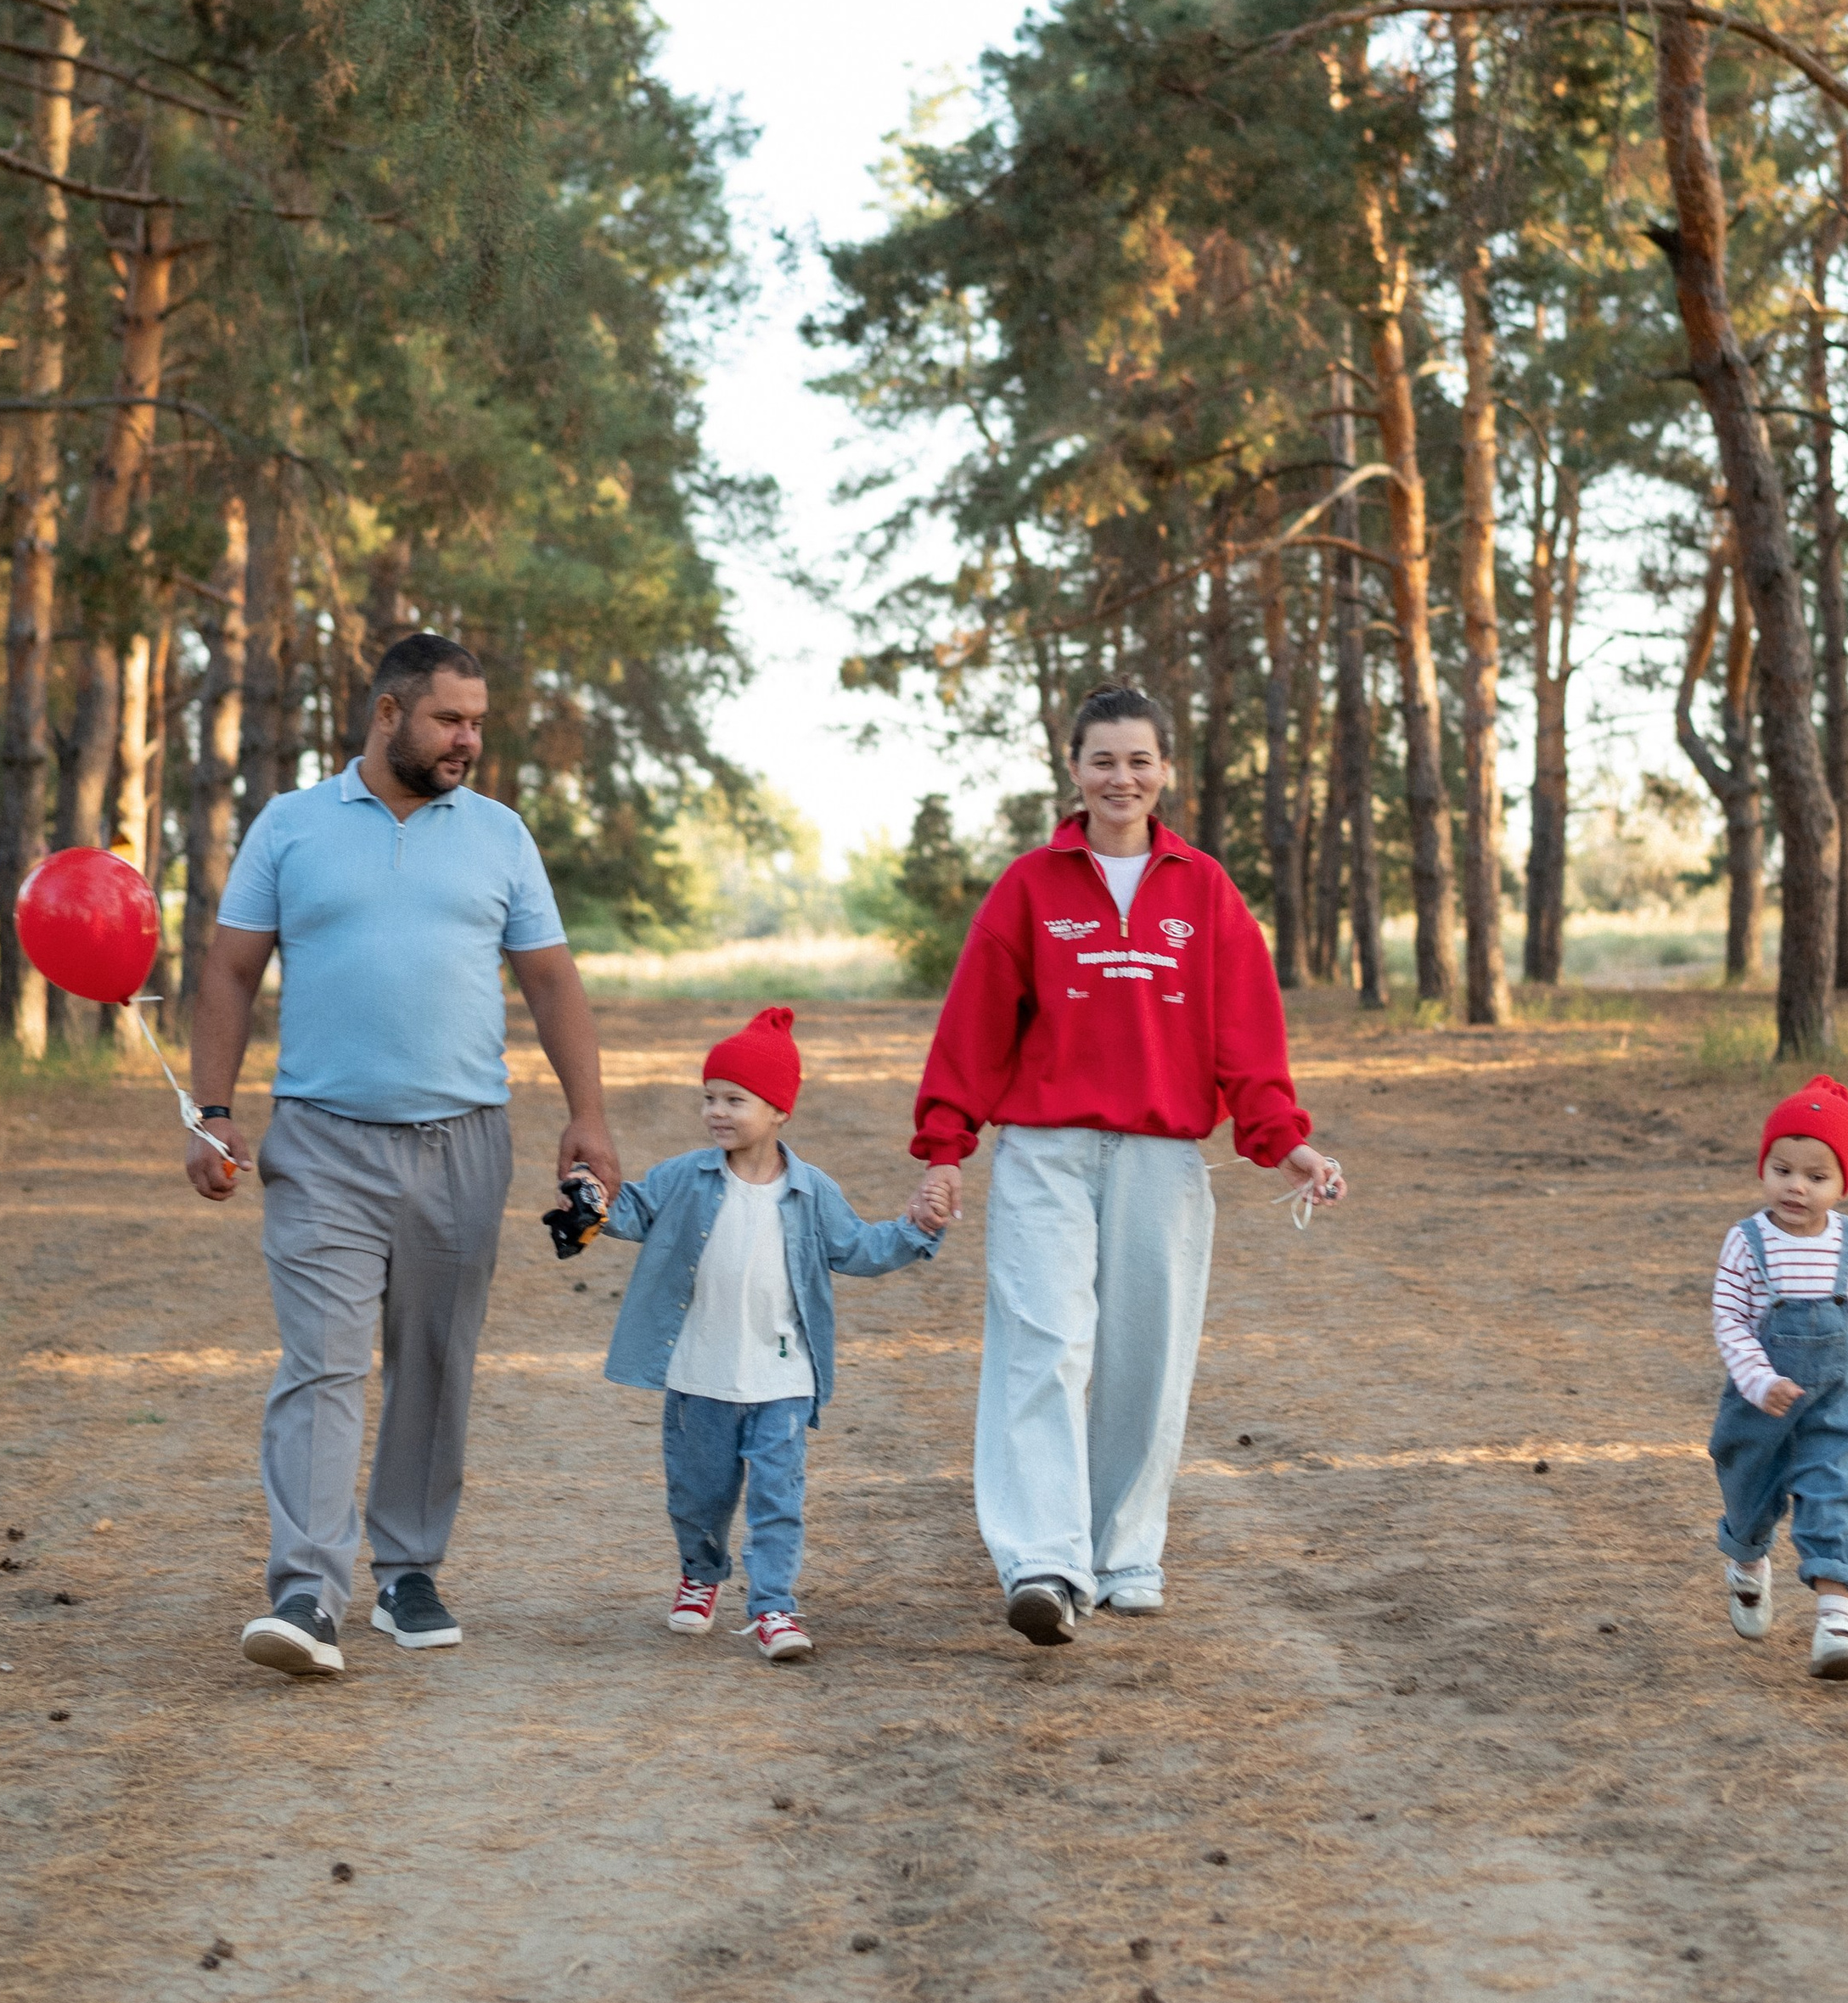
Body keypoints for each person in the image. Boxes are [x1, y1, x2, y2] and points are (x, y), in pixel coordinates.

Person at [185, 630, 621, 1680]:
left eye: (477, 720)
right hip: (323, 1143)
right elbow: (232, 969)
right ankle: (305, 1591)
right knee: (324, 1359)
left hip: (463, 1141)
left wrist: (588, 1117)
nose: (469, 739)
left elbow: (552, 981)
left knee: (433, 1356)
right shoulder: (290, 826)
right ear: (388, 713)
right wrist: (211, 1106)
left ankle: (410, 1568)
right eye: (449, 719)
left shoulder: (501, 836)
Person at [910, 683, 1345, 1648]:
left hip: (1160, 1157)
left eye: (1139, 760)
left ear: (1165, 772)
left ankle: (1125, 1552)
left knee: (1146, 1357)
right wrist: (946, 1148)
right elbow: (973, 1032)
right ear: (1073, 769)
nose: (1122, 777)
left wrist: (1285, 1143)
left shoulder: (1203, 889)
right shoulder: (1029, 887)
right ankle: (1045, 1563)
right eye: (1103, 759)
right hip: (1045, 1153)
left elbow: (1246, 1042)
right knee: (1045, 1344)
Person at [599, 1003, 954, 1659]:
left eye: (735, 1098)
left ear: (779, 1109)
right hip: (699, 1375)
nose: (718, 1111)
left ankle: (774, 1608)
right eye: (709, 1097)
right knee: (698, 1496)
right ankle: (700, 1575)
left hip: (782, 1379)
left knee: (777, 1497)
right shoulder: (685, 1176)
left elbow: (859, 1249)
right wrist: (589, 1197)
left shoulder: (811, 1191)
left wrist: (916, 1229)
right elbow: (632, 1209)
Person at [1710, 1076, 1848, 1682]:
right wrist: (1758, 1378)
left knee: (1835, 1489)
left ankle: (1836, 1618)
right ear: (1764, 1167)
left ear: (1844, 1181)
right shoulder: (1746, 1243)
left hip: (1838, 1398)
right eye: (1782, 1168)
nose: (1796, 1185)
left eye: (1817, 1176)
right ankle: (1747, 1560)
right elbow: (1730, 1320)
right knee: (1749, 1491)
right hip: (1761, 1403)